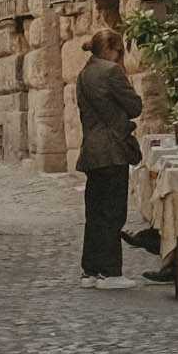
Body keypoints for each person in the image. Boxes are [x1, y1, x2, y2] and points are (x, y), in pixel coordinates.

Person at [74, 29, 144, 288]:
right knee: (113, 212)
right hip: (113, 151)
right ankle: (110, 272)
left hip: (92, 150)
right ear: (114, 50)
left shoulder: (83, 75)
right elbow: (135, 107)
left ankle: (90, 271)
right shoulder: (112, 72)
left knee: (95, 212)